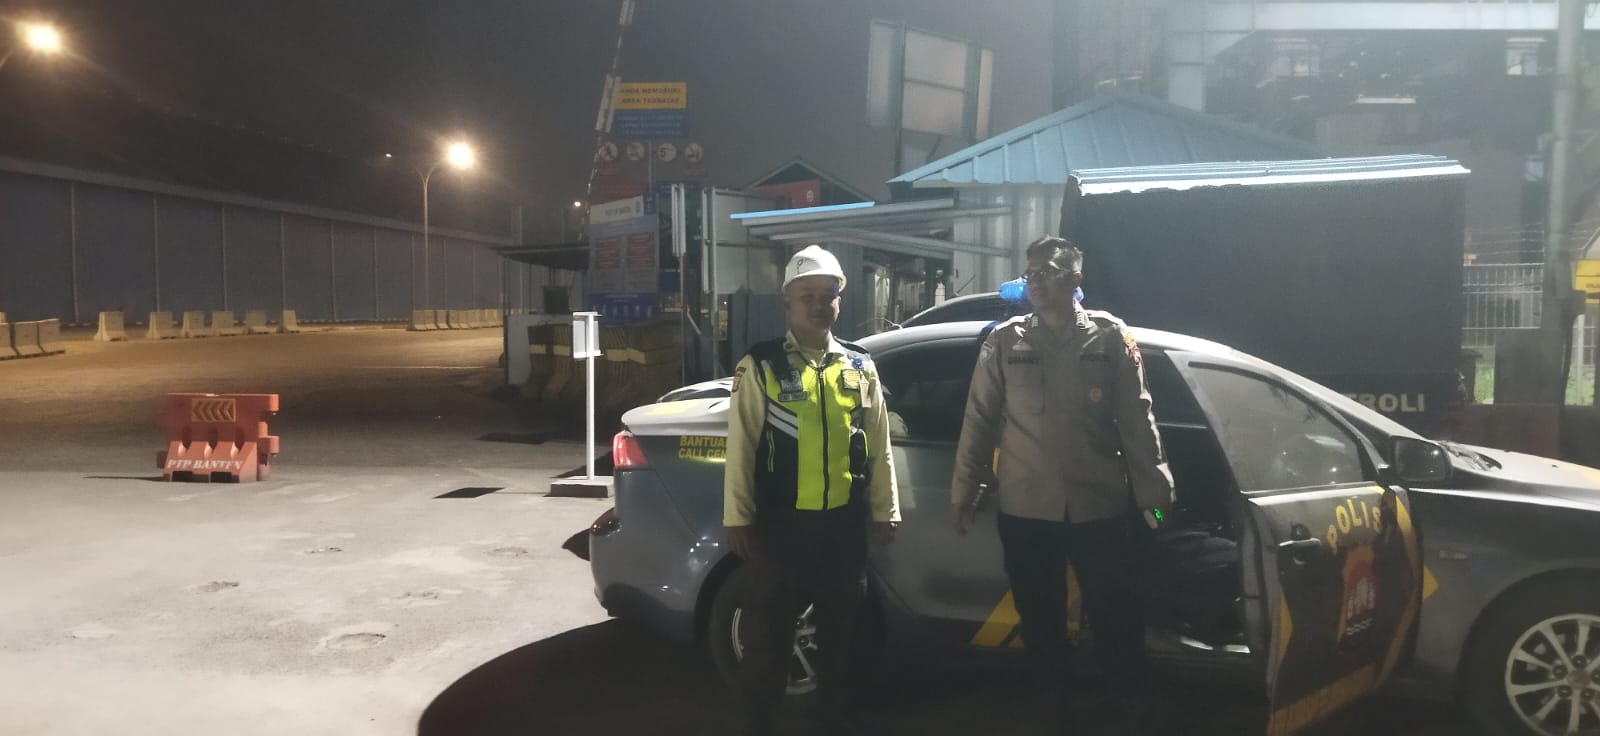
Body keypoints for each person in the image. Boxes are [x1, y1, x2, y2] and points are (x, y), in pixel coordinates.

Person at [949, 236, 1174, 732]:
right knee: (1039, 616)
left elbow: (1137, 421)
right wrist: (964, 488)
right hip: (1027, 510)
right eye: (1031, 273)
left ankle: (1127, 702)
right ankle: (1054, 707)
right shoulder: (1005, 341)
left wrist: (1156, 497)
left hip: (1098, 506)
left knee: (1115, 611)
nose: (1036, 281)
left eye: (1048, 272)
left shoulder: (1110, 338)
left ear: (1075, 280)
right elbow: (979, 419)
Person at [724, 245, 901, 735]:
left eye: (828, 295)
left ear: (839, 301)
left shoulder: (860, 365)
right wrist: (737, 517)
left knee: (842, 636)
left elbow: (879, 444)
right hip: (781, 528)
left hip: (842, 527)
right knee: (768, 637)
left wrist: (885, 509)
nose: (819, 304)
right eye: (808, 295)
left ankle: (833, 719)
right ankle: (759, 721)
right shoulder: (761, 365)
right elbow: (741, 447)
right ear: (787, 300)